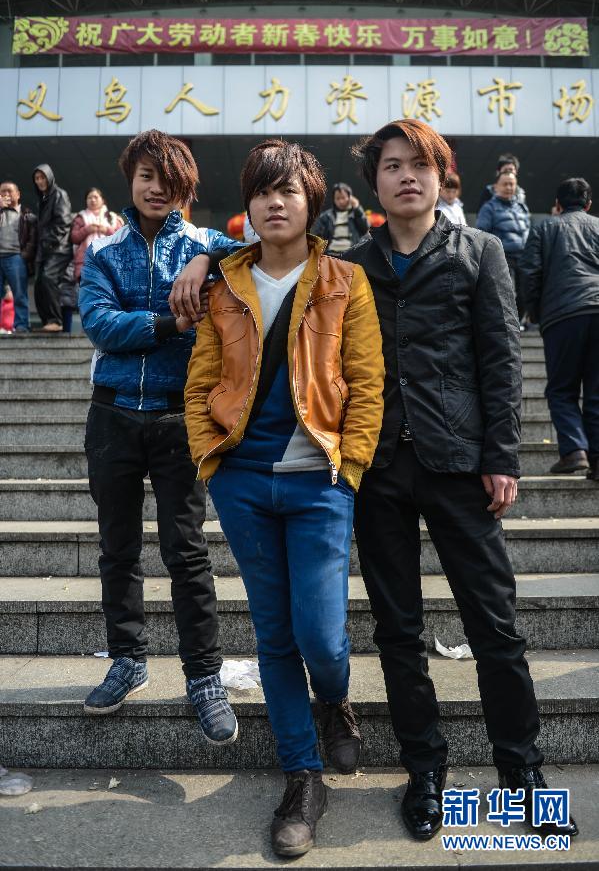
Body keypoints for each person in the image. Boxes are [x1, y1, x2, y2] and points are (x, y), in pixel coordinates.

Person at [343, 118, 577, 842]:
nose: (405, 175)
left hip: (459, 465)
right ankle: (425, 775)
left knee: (495, 628)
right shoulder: (352, 263)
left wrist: (502, 455)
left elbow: (501, 358)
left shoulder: (478, 251)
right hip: (378, 469)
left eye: (420, 164)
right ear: (374, 181)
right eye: (391, 165)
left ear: (443, 176)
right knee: (398, 633)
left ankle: (521, 775)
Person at [185, 139, 384, 857]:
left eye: (288, 192)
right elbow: (202, 376)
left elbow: (364, 381)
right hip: (242, 481)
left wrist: (350, 465)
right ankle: (302, 776)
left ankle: (334, 699)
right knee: (272, 635)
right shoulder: (225, 283)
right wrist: (211, 462)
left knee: (322, 639)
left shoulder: (341, 280)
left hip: (319, 482)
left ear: (311, 203)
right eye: (262, 191)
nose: (274, 202)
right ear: (248, 206)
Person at [78, 129, 240, 745]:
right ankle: (128, 658)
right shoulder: (103, 251)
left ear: (184, 188)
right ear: (131, 180)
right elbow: (100, 324)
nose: (156, 187)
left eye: (167, 179)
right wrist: (171, 321)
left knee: (186, 551)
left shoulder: (206, 243)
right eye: (146, 175)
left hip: (181, 418)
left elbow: (257, 250)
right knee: (117, 546)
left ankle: (203, 675)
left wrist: (205, 261)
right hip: (113, 414)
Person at [521, 177, 599, 479]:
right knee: (596, 391)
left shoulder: (544, 227)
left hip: (563, 316)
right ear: (588, 204)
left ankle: (574, 451)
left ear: (557, 205)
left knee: (562, 389)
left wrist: (538, 313)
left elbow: (529, 273)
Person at [476, 169, 531, 325]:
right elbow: (482, 233)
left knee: (525, 292)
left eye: (512, 184)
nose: (509, 187)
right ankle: (504, 323)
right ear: (496, 187)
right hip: (502, 255)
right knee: (505, 292)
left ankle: (517, 323)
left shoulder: (522, 207)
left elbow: (527, 229)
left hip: (523, 256)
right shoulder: (488, 208)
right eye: (505, 184)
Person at [32, 164, 72, 332]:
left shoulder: (59, 195)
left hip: (59, 248)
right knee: (38, 283)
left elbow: (63, 223)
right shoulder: (43, 200)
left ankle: (56, 320)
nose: (40, 181)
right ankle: (48, 322)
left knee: (48, 278)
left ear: (49, 177)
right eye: (37, 178)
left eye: (42, 177)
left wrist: (49, 242)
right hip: (45, 250)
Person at [0, 180, 37, 333]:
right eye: (3, 192)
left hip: (16, 257)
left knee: (20, 294)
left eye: (9, 191)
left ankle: (21, 325)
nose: (6, 194)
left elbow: (33, 238)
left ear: (18, 194)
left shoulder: (27, 215)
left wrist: (24, 256)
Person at [71, 187, 123, 280]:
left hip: (110, 264)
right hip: (86, 264)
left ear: (102, 200)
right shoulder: (80, 218)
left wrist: (107, 230)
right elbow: (74, 238)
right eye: (89, 198)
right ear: (86, 201)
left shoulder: (113, 217)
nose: (93, 200)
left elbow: (122, 239)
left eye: (95, 197)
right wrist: (87, 230)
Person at [311, 181, 369, 254]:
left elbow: (365, 228)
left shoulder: (355, 214)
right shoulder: (326, 216)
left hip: (352, 255)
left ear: (349, 197)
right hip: (331, 255)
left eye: (343, 198)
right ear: (334, 200)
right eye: (338, 198)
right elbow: (316, 235)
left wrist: (357, 208)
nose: (341, 201)